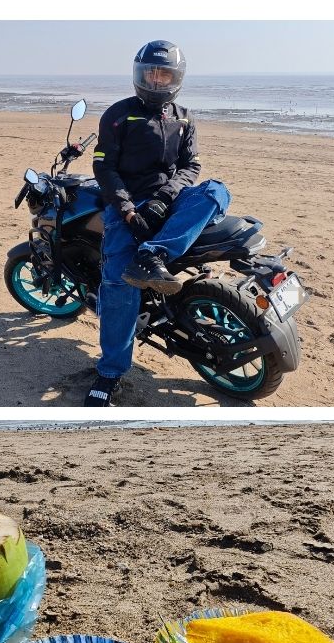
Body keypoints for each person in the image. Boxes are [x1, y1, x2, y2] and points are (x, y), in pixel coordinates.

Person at [86, 39, 232, 406]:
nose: (156, 80)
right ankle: (110, 372)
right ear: (138, 75)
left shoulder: (183, 117)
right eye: (150, 73)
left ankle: (151, 256)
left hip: (169, 200)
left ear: (175, 77)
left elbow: (191, 167)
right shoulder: (118, 115)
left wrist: (164, 199)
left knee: (216, 191)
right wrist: (129, 210)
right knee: (118, 282)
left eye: (163, 73)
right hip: (128, 205)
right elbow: (104, 167)